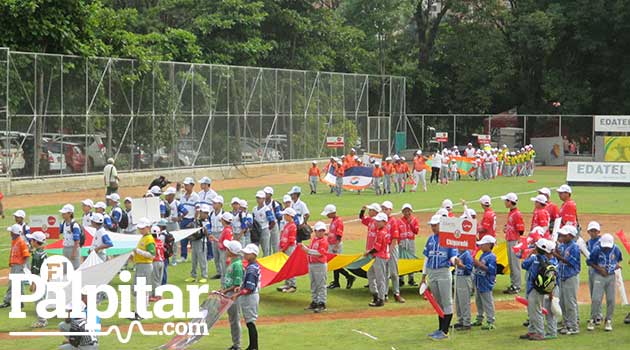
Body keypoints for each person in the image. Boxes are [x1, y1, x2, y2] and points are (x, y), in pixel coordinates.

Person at [422, 214, 457, 340]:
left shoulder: (448, 239)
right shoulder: (430, 239)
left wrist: (455, 261)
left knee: (446, 301)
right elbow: (426, 258)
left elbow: (452, 256)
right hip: (432, 272)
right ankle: (440, 328)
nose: (433, 227)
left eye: (435, 225)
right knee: (438, 302)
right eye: (432, 225)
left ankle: (445, 331)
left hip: (443, 272)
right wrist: (423, 275)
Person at [520, 238, 557, 341]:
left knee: (536, 311)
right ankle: (532, 331)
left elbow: (523, 265)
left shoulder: (534, 258)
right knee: (533, 311)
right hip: (538, 289)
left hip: (533, 289)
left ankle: (540, 333)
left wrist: (530, 253)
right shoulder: (546, 260)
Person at [587, 233, 623, 332]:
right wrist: (599, 269)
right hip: (599, 276)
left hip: (611, 276)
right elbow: (589, 261)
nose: (606, 248)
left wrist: (616, 266)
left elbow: (618, 260)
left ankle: (608, 320)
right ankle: (592, 319)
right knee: (596, 299)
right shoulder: (597, 249)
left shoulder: (616, 249)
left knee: (611, 300)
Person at [553, 225, 581, 335]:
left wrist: (556, 255)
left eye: (564, 235)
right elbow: (560, 256)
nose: (562, 237)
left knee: (570, 302)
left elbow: (570, 262)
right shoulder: (563, 245)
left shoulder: (574, 247)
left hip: (571, 277)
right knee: (563, 302)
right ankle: (566, 323)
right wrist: (555, 250)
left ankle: (573, 326)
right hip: (562, 276)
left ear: (571, 236)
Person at [232, 243, 260, 350]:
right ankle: (252, 346)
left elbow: (249, 288)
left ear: (253, 254)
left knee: (250, 322)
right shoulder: (252, 266)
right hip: (251, 296)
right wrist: (240, 288)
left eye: (247, 253)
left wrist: (237, 294)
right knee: (249, 322)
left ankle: (253, 346)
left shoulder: (251, 268)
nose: (245, 255)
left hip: (250, 297)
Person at [322, 204, 355, 290]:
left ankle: (349, 277)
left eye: (328, 213)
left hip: (335, 245)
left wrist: (336, 246)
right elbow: (334, 233)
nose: (327, 215)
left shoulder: (338, 221)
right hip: (332, 243)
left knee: (335, 264)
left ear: (333, 213)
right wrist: (327, 234)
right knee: (334, 263)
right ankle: (336, 282)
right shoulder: (334, 220)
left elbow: (339, 235)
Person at [219, 240, 244, 350]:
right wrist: (223, 289)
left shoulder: (237, 265)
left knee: (234, 319)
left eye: (228, 249)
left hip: (233, 295)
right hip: (228, 293)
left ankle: (237, 345)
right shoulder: (234, 263)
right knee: (232, 319)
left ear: (231, 252)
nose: (226, 250)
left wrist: (224, 291)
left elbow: (237, 284)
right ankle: (235, 344)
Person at [129, 218, 155, 321]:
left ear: (148, 228)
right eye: (140, 228)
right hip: (140, 265)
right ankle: (138, 311)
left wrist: (138, 251)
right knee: (136, 289)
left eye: (142, 228)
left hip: (145, 265)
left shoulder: (149, 239)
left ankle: (141, 312)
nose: (141, 230)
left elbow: (152, 255)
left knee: (140, 290)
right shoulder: (143, 238)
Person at [300, 221, 329, 313]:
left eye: (322, 230)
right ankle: (315, 301)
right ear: (315, 231)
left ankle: (321, 303)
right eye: (319, 230)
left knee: (320, 285)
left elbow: (320, 253)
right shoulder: (315, 240)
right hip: (312, 264)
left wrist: (307, 250)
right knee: (313, 284)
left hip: (319, 265)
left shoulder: (324, 241)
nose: (321, 232)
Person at [0, 224, 30, 308]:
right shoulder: (14, 240)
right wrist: (11, 262)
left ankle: (20, 301)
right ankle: (7, 301)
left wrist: (23, 267)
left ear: (14, 233)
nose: (10, 233)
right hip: (14, 265)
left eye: (11, 232)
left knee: (18, 283)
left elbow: (26, 255)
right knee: (11, 283)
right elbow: (13, 253)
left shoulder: (21, 242)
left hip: (19, 266)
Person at [501, 193, 525, 295]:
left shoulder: (517, 214)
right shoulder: (512, 212)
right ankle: (513, 284)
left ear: (510, 202)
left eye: (506, 200)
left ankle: (517, 286)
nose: (505, 202)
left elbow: (521, 230)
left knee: (515, 264)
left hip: (514, 241)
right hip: (511, 239)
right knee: (511, 263)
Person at [472, 235, 498, 330]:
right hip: (479, 282)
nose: (481, 246)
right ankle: (479, 318)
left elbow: (492, 270)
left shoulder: (492, 257)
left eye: (483, 245)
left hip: (486, 283)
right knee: (478, 301)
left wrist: (479, 264)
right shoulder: (483, 255)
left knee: (488, 302)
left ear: (489, 245)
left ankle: (490, 321)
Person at [381, 201, 404, 303]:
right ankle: (384, 294)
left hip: (392, 247)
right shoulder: (381, 220)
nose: (385, 211)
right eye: (383, 209)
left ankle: (396, 293)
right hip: (383, 248)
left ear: (391, 210)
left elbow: (395, 238)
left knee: (394, 272)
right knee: (384, 272)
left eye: (387, 209)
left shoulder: (393, 221)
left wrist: (389, 251)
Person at [365, 213, 389, 307]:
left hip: (381, 257)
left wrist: (368, 252)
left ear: (384, 222)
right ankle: (375, 294)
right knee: (370, 273)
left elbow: (377, 248)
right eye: (376, 221)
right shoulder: (382, 231)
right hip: (380, 256)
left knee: (380, 278)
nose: (376, 223)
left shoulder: (381, 233)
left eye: (379, 221)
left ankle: (381, 298)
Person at [26, 231, 48, 328]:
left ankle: (42, 321)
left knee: (38, 300)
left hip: (39, 279)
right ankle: (43, 319)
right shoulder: (43, 252)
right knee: (41, 299)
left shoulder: (37, 255)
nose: (30, 241)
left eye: (32, 240)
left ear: (35, 241)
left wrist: (33, 284)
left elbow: (35, 271)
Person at [187, 205, 210, 283]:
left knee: (202, 259)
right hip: (195, 241)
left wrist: (204, 228)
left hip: (202, 242)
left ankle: (204, 275)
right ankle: (193, 275)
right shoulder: (196, 220)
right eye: (204, 213)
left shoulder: (207, 222)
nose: (205, 215)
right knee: (194, 259)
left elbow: (208, 234)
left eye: (206, 213)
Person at [179, 177, 200, 263]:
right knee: (183, 239)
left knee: (193, 240)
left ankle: (195, 256)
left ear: (192, 185)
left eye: (187, 185)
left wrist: (194, 220)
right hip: (183, 219)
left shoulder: (195, 196)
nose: (185, 187)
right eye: (185, 185)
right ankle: (183, 256)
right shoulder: (182, 196)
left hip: (191, 219)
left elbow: (197, 209)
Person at [586, 221, 603, 325]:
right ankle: (594, 315)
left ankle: (598, 315)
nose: (593, 233)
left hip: (598, 269)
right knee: (593, 293)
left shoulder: (601, 242)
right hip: (591, 269)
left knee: (597, 294)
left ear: (598, 231)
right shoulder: (589, 242)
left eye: (595, 231)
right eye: (591, 231)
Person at [277, 208, 298, 293]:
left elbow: (290, 241)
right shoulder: (287, 225)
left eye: (285, 215)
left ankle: (292, 284)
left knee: (290, 265)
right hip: (285, 247)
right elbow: (283, 237)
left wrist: (283, 248)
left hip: (289, 248)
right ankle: (287, 283)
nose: (284, 216)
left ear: (289, 216)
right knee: (286, 265)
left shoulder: (292, 226)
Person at [398, 203, 419, 287]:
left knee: (411, 258)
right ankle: (401, 279)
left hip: (411, 240)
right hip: (402, 241)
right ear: (402, 212)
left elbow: (416, 231)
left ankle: (411, 278)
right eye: (405, 211)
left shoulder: (414, 220)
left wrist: (410, 224)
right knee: (401, 258)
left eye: (408, 211)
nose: (407, 213)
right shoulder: (399, 221)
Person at [453, 245, 473, 331]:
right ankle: (460, 320)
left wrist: (461, 265)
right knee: (458, 301)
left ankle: (466, 323)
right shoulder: (458, 254)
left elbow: (469, 269)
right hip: (458, 278)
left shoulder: (467, 254)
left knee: (464, 301)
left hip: (464, 278)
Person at [207, 196, 225, 278]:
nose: (213, 205)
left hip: (221, 233)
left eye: (215, 203)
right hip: (214, 234)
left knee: (222, 254)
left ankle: (223, 271)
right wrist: (210, 233)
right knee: (215, 254)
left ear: (220, 204)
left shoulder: (224, 214)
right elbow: (209, 224)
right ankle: (218, 272)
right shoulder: (211, 214)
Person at [60, 204, 82, 269]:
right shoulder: (63, 223)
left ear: (70, 214)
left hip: (73, 248)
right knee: (65, 268)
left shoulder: (75, 225)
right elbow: (58, 232)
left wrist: (74, 252)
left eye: (64, 213)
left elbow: (77, 240)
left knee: (75, 268)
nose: (62, 215)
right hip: (65, 248)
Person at [253, 191, 274, 257]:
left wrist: (268, 229)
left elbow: (272, 221)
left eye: (260, 198)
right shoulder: (254, 209)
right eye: (257, 198)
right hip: (256, 231)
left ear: (263, 199)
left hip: (264, 229)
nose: (258, 200)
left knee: (265, 249)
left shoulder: (266, 209)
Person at [263, 186, 282, 254]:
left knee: (275, 244)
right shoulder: (262, 203)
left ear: (270, 194)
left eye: (266, 193)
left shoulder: (275, 204)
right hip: (265, 225)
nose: (265, 194)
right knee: (266, 245)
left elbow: (279, 216)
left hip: (274, 225)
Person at [164, 187, 180, 265]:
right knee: (165, 241)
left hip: (174, 224)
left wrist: (178, 218)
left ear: (172, 195)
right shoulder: (164, 203)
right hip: (166, 224)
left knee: (175, 242)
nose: (166, 196)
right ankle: (166, 258)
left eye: (167, 195)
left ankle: (174, 259)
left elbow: (185, 211)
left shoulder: (177, 203)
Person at [149, 225, 165, 302]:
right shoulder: (160, 241)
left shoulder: (151, 242)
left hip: (155, 261)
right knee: (159, 279)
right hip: (162, 261)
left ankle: (157, 296)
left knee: (155, 279)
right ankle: (157, 294)